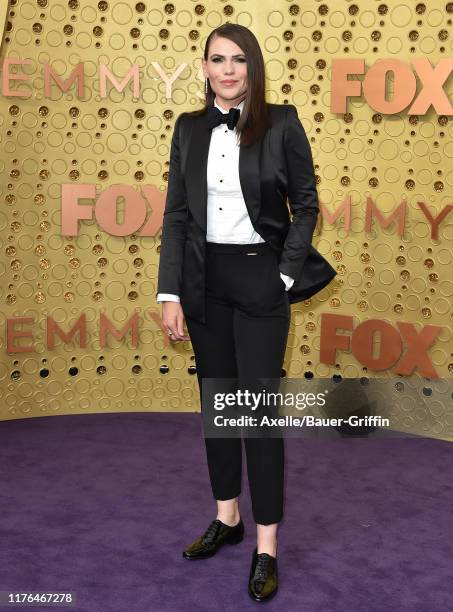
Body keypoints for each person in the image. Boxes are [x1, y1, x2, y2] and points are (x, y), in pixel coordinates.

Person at [156, 23, 336, 602]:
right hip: (204, 285)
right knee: (217, 409)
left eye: (239, 60)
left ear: (252, 68)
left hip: (262, 281)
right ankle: (227, 517)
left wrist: (282, 274)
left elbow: (305, 203)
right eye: (217, 59)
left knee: (256, 415)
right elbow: (177, 216)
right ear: (204, 67)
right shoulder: (187, 128)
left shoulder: (281, 122)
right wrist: (170, 293)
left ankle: (266, 545)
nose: (228, 69)